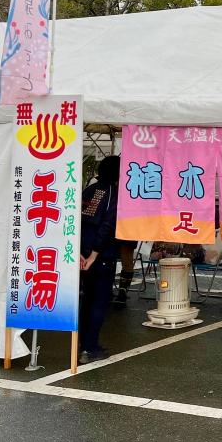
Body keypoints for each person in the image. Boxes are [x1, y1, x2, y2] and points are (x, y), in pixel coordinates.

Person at [79, 155, 131, 363]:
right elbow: (107, 226)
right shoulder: (113, 194)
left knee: (86, 300)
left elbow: (78, 220)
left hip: (81, 254)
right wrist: (94, 253)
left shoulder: (89, 191)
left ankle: (84, 344)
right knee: (99, 302)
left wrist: (79, 252)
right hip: (100, 256)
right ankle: (90, 348)